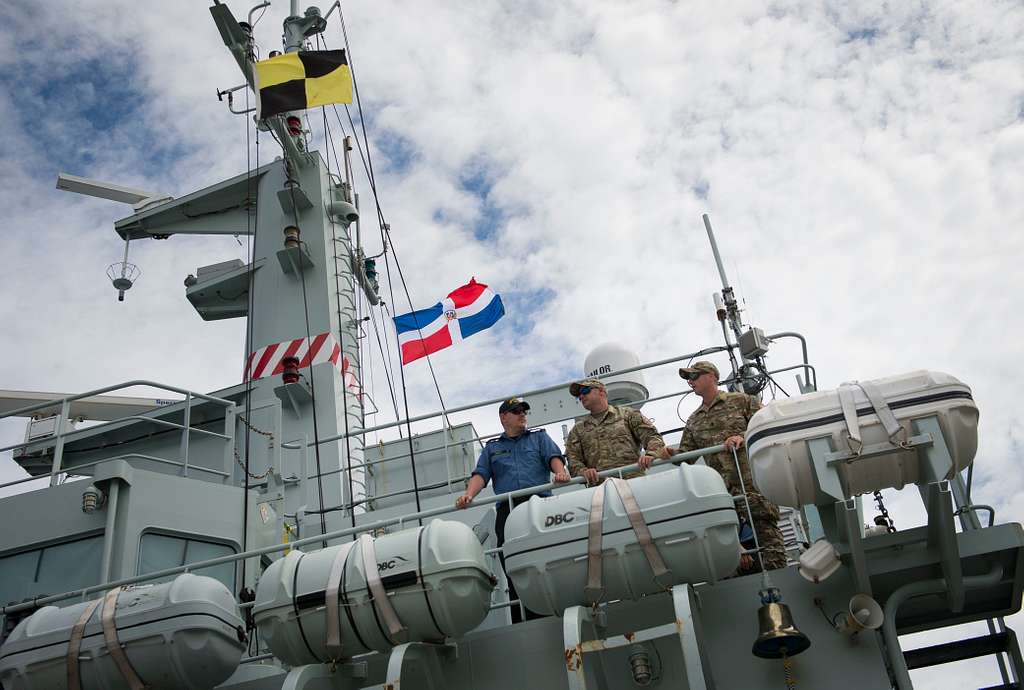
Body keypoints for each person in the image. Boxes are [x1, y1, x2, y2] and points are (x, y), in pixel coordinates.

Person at [661, 361, 787, 573]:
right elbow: (686, 457)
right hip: (723, 495)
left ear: (712, 376)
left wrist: (743, 436)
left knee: (771, 550)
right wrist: (671, 454)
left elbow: (767, 426)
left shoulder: (742, 401)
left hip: (753, 486)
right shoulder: (694, 420)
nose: (691, 382)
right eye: (688, 379)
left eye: (695, 376)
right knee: (733, 560)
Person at [456, 397, 570, 622]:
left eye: (524, 411)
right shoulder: (492, 448)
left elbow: (554, 458)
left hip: (540, 505)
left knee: (550, 555)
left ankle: (560, 608)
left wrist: (560, 472)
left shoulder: (539, 438)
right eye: (516, 411)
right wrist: (469, 494)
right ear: (503, 417)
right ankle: (523, 616)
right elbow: (481, 474)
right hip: (509, 510)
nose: (522, 414)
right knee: (513, 563)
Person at [565, 378, 667, 486]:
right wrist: (583, 472)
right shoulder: (578, 429)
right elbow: (572, 458)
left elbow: (651, 436)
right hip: (600, 489)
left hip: (634, 483)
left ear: (602, 391)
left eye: (585, 391)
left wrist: (651, 454)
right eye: (578, 395)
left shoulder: (628, 415)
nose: (581, 396)